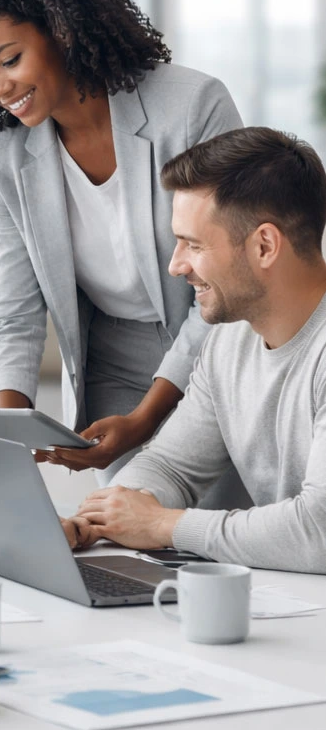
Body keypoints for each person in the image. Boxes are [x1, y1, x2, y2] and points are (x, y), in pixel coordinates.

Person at [0, 0, 243, 485]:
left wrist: (146, 419)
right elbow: (14, 309)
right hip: (110, 360)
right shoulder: (5, 156)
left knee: (219, 532)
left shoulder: (192, 108)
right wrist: (5, 435)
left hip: (219, 342)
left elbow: (227, 285)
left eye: (9, 59)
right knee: (130, 529)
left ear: (62, 28)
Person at [71, 127, 326, 573]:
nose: (176, 265)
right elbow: (171, 466)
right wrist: (93, 522)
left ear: (264, 245)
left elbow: (319, 531)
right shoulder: (228, 341)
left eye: (194, 244)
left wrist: (166, 526)